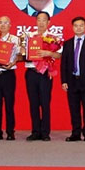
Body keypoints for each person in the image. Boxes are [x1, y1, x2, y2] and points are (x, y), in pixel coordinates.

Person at [60, 16, 85, 141]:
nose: (78, 28)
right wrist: (64, 81)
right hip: (72, 81)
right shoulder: (67, 43)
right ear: (73, 27)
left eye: (81, 25)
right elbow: (64, 64)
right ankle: (75, 133)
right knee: (74, 109)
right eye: (76, 26)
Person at [24, 11, 60, 141]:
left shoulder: (53, 38)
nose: (41, 23)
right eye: (39, 20)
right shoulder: (29, 37)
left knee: (45, 103)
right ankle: (35, 131)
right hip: (31, 72)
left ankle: (45, 132)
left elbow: (59, 55)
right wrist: (23, 51)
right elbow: (24, 55)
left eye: (44, 20)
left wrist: (49, 53)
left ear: (49, 22)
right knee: (33, 103)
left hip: (45, 73)